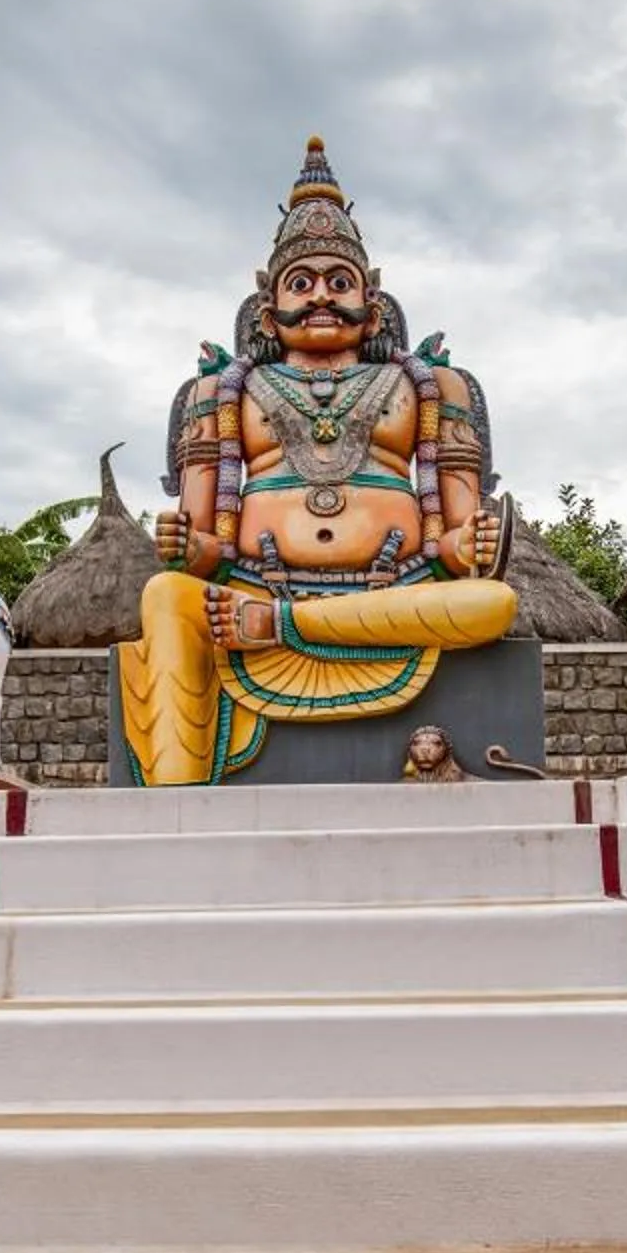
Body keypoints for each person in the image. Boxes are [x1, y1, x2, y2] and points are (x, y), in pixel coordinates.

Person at [120, 138, 516, 784]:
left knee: (492, 603)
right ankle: (172, 806)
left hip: (393, 595)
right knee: (165, 594)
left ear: (373, 298)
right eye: (300, 284)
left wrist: (471, 540)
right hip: (249, 585)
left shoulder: (431, 388)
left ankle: (284, 626)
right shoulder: (222, 393)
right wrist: (181, 544)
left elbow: (454, 546)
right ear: (268, 303)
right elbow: (198, 549)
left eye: (340, 282)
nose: (321, 297)